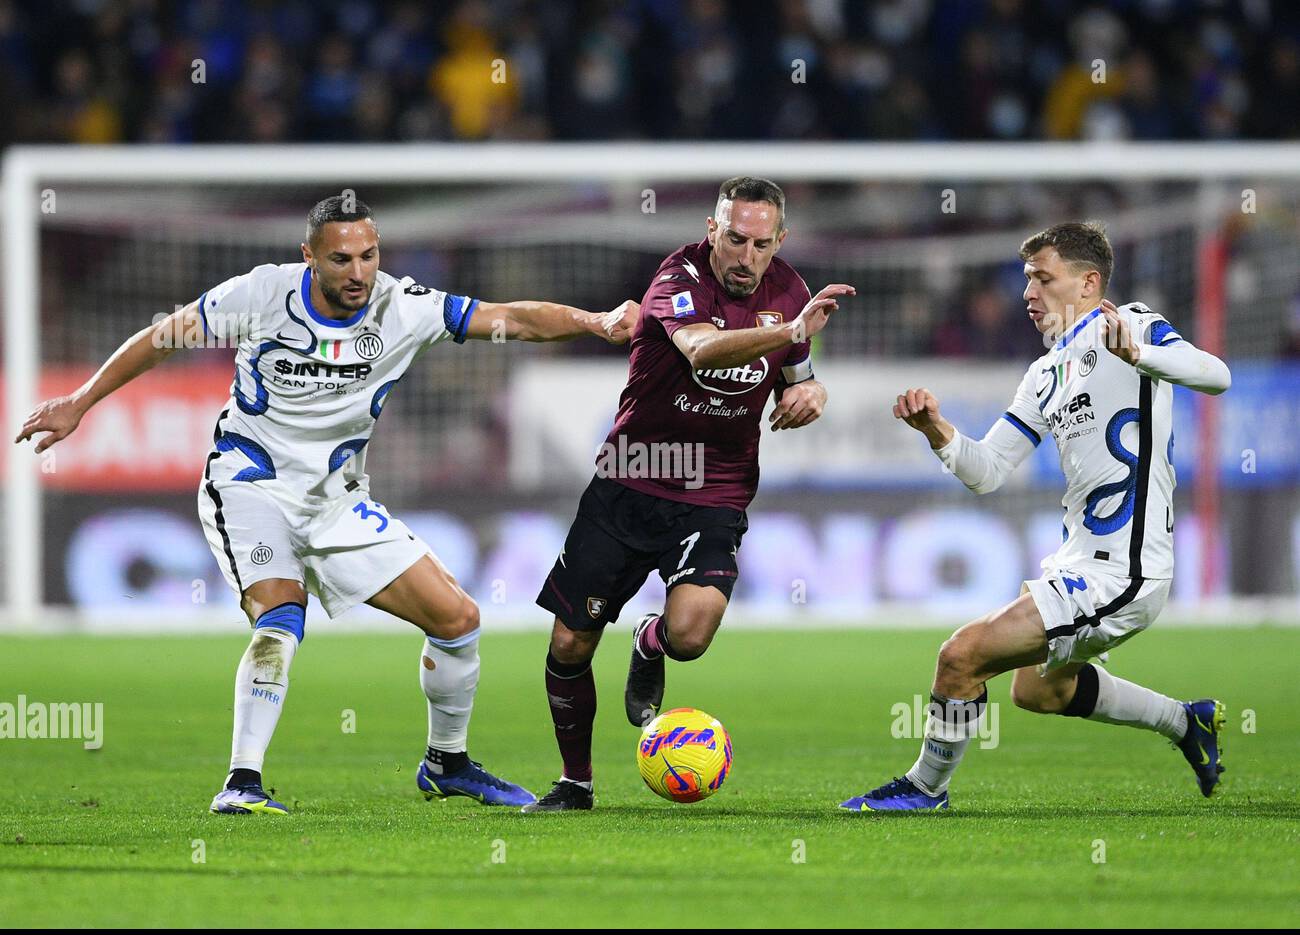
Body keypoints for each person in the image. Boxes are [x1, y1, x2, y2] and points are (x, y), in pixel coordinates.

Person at [15, 194, 637, 815]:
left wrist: (596, 322)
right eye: (342, 259)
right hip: (250, 483)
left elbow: (515, 319)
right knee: (282, 614)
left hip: (337, 501)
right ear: (308, 257)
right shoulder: (260, 296)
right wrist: (81, 401)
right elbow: (162, 337)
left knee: (458, 620)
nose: (358, 272)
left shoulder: (403, 307)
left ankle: (445, 762)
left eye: (369, 256)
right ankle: (242, 782)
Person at [840, 221, 1232, 811]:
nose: (1028, 293)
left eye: (1042, 278)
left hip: (1125, 569)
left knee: (960, 655)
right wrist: (937, 432)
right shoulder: (1045, 374)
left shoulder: (1135, 324)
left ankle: (925, 788)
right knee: (1040, 691)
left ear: (1088, 282)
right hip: (1076, 561)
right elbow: (989, 469)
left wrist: (1142, 354)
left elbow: (1217, 375)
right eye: (1027, 279)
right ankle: (1186, 723)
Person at [525, 176, 854, 812]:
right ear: (713, 231)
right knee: (570, 643)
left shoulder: (790, 291)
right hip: (630, 479)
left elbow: (799, 377)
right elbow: (701, 350)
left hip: (716, 488)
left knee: (692, 636)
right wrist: (789, 333)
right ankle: (575, 783)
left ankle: (651, 641)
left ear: (779, 240)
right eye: (735, 238)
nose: (746, 255)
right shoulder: (676, 278)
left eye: (761, 243)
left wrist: (811, 392)